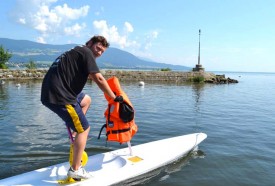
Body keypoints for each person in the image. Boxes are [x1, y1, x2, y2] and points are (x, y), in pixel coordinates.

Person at [41, 35, 123, 179]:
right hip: (61, 96)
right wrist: (113, 97)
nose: (99, 53)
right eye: (98, 48)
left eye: (102, 51)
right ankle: (75, 169)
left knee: (86, 100)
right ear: (90, 43)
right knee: (85, 128)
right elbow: (98, 78)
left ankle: (75, 133)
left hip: (55, 92)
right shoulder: (86, 52)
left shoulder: (78, 51)